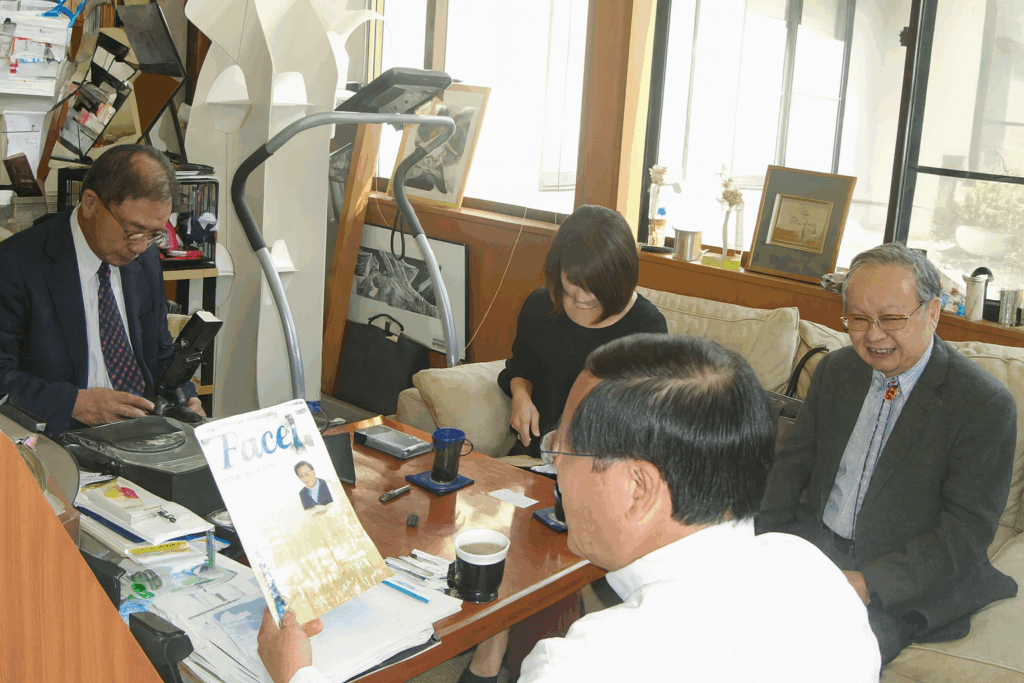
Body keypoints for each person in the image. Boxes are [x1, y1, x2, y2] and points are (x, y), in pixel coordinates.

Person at [256, 334, 881, 682]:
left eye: (563, 449)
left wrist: (296, 679)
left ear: (637, 487)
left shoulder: (592, 662)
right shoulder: (815, 575)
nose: (555, 473)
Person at [758, 243, 1018, 664]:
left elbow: (965, 533)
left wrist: (867, 582)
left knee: (816, 656)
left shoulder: (983, 405)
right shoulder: (837, 371)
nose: (873, 334)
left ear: (932, 312)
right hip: (817, 549)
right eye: (858, 319)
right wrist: (764, 544)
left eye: (892, 318)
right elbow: (790, 470)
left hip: (902, 578)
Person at [0, 144, 204, 434]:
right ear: (90, 202)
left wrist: (186, 394)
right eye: (131, 230)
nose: (139, 246)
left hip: (141, 428)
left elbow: (158, 352)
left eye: (154, 234)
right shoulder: (17, 264)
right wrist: (75, 403)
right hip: (61, 435)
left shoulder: (144, 258)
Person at [497, 203, 667, 458]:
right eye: (573, 283)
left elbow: (647, 416)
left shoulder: (646, 326)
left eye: (595, 286)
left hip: (602, 468)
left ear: (620, 277)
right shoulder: (540, 305)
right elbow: (522, 367)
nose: (581, 297)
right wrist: (520, 397)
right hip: (536, 460)